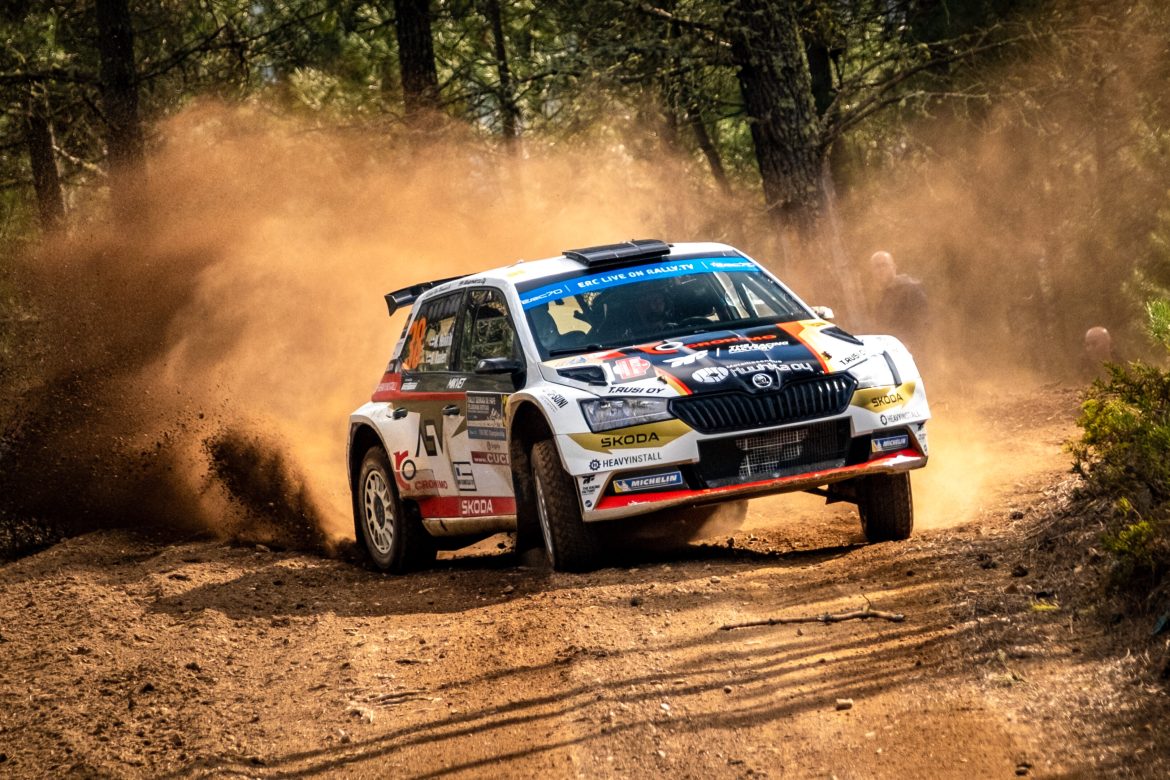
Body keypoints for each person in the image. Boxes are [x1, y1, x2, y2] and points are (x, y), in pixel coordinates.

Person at [867, 250, 929, 350]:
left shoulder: (910, 289)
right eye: (876, 267)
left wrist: (910, 343)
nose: (881, 270)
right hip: (892, 350)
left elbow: (923, 321)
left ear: (894, 267)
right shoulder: (879, 297)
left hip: (912, 350)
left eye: (884, 265)